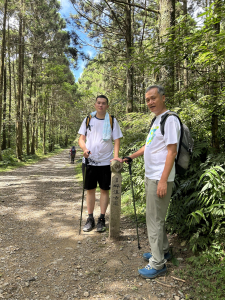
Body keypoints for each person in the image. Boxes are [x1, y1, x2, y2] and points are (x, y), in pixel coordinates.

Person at [121, 85, 180, 279]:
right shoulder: (157, 121)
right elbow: (148, 147)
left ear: (163, 97)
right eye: (147, 100)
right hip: (151, 176)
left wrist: (163, 180)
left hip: (159, 178)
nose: (150, 102)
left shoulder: (170, 120)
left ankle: (157, 263)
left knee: (153, 221)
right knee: (157, 218)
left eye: (153, 98)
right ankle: (162, 251)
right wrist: (131, 156)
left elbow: (172, 151)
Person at [78, 95, 123, 233]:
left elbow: (116, 140)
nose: (101, 105)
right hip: (89, 162)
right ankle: (90, 218)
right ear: (95, 104)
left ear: (107, 106)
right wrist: (85, 149)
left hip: (106, 162)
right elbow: (81, 139)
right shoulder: (88, 119)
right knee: (90, 190)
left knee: (105, 190)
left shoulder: (112, 120)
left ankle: (102, 219)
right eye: (99, 103)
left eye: (104, 103)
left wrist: (115, 157)